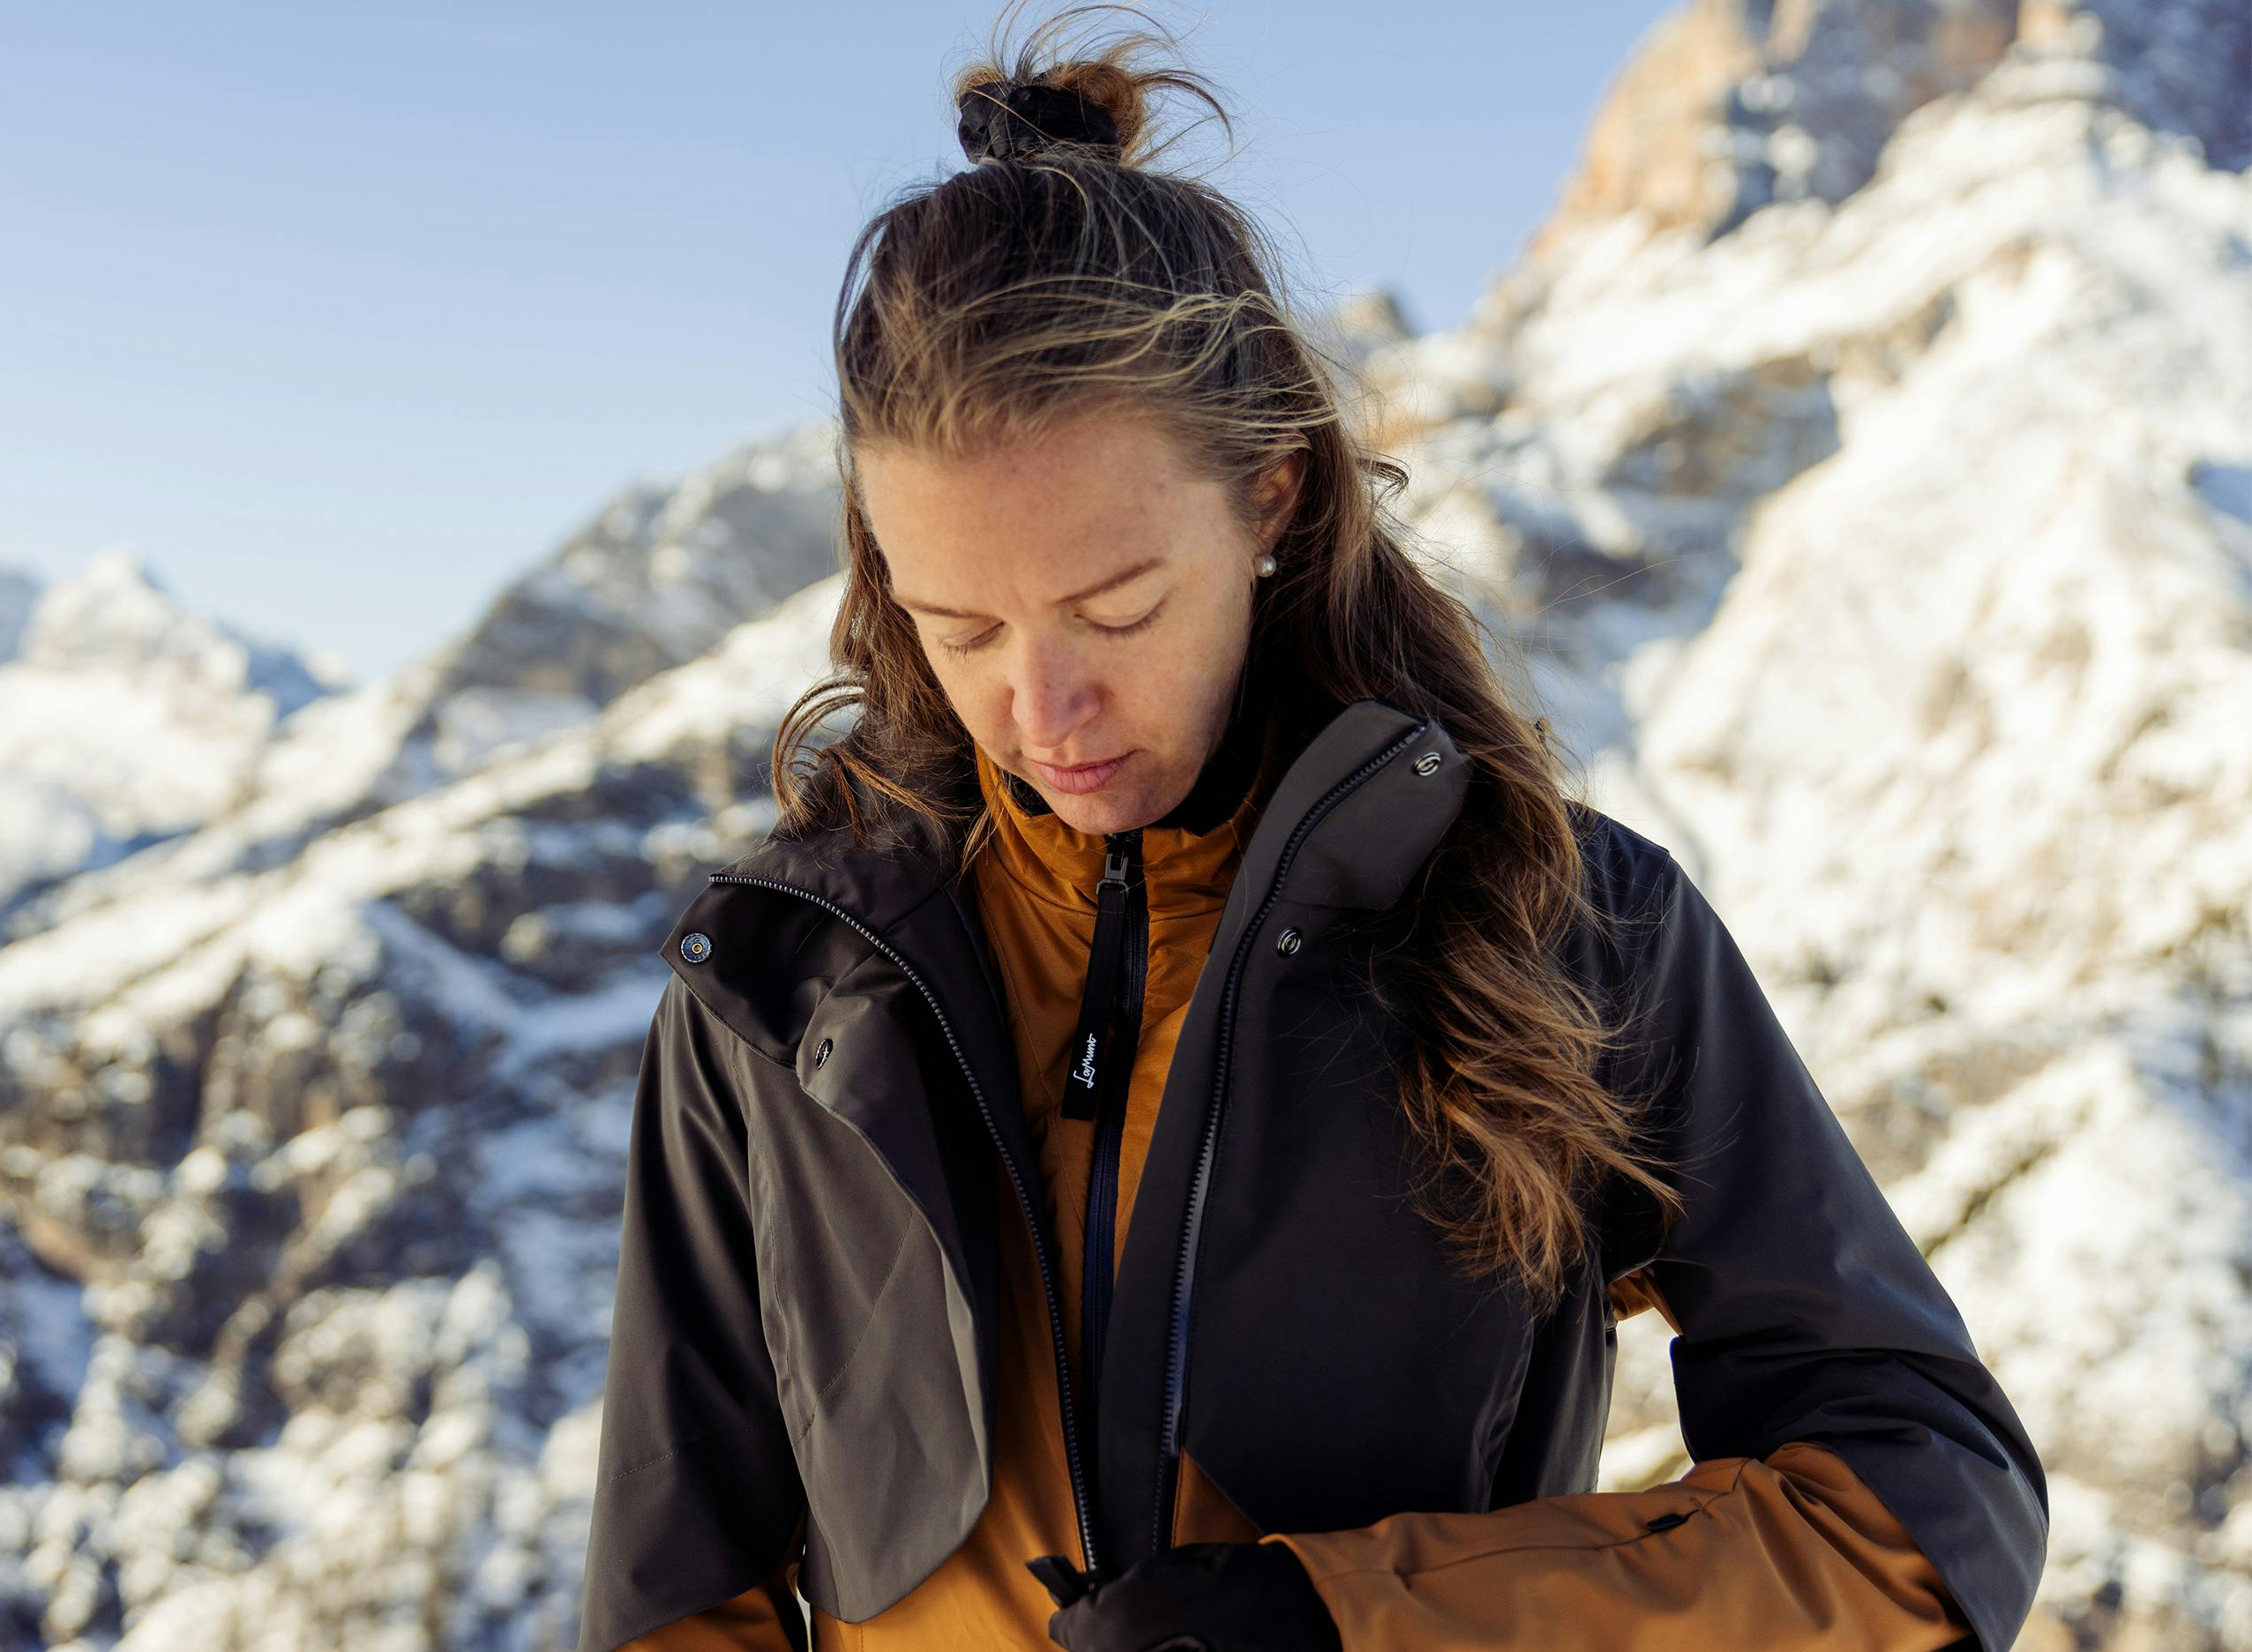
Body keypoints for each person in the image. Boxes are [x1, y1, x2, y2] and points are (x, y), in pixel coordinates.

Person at [576, 6, 2048, 1649]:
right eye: (962, 626)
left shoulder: (1567, 922)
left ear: (1273, 493)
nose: (1044, 713)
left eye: (1117, 605)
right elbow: (674, 1596)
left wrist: (1347, 1621)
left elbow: (1925, 1510)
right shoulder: (785, 985)